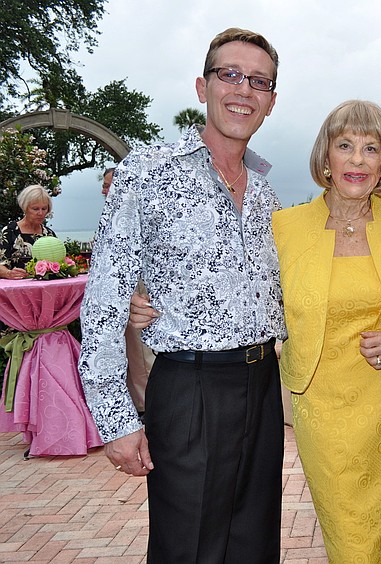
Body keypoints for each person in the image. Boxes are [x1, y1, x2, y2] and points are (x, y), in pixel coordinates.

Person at [79, 28, 286, 563]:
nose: (243, 89)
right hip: (190, 389)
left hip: (263, 385)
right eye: (230, 75)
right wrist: (116, 420)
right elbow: (103, 303)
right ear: (203, 86)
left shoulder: (266, 192)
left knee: (254, 548)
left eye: (258, 81)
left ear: (271, 100)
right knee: (187, 550)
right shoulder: (145, 173)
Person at [271, 100, 381, 562]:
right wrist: (151, 304)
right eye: (345, 146)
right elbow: (240, 294)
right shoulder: (285, 227)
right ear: (326, 157)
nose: (357, 160)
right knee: (348, 537)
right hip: (322, 407)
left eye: (371, 148)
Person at [100, 166, 154, 416]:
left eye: (108, 184)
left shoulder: (135, 212)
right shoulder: (111, 213)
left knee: (140, 347)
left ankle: (147, 404)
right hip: (116, 289)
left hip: (137, 285)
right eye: (103, 184)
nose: (104, 189)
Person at [0, 184, 58, 279]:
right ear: (25, 208)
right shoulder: (10, 232)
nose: (40, 213)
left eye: (44, 209)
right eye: (35, 209)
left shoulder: (49, 234)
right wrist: (8, 273)